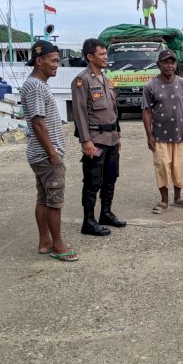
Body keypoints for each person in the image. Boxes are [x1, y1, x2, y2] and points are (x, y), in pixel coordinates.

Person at [20, 40, 78, 262]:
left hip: (40, 154)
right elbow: (37, 123)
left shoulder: (36, 84)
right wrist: (53, 154)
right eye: (53, 61)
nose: (57, 65)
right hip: (46, 156)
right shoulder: (35, 86)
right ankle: (57, 245)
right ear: (39, 60)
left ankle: (45, 241)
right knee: (54, 201)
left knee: (44, 198)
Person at [71, 38, 126, 237]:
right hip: (95, 139)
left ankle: (105, 213)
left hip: (111, 138)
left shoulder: (106, 79)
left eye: (105, 54)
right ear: (89, 57)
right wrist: (86, 141)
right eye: (101, 54)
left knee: (111, 177)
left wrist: (118, 137)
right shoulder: (82, 80)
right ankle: (88, 221)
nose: (105, 58)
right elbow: (79, 114)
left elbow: (113, 110)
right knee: (93, 181)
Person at [142, 49, 183, 214]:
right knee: (162, 167)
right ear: (159, 65)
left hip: (180, 135)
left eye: (172, 62)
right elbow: (146, 111)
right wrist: (149, 135)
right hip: (159, 136)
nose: (169, 66)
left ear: (176, 65)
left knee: (179, 167)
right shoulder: (150, 86)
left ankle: (178, 198)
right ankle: (164, 201)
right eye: (165, 62)